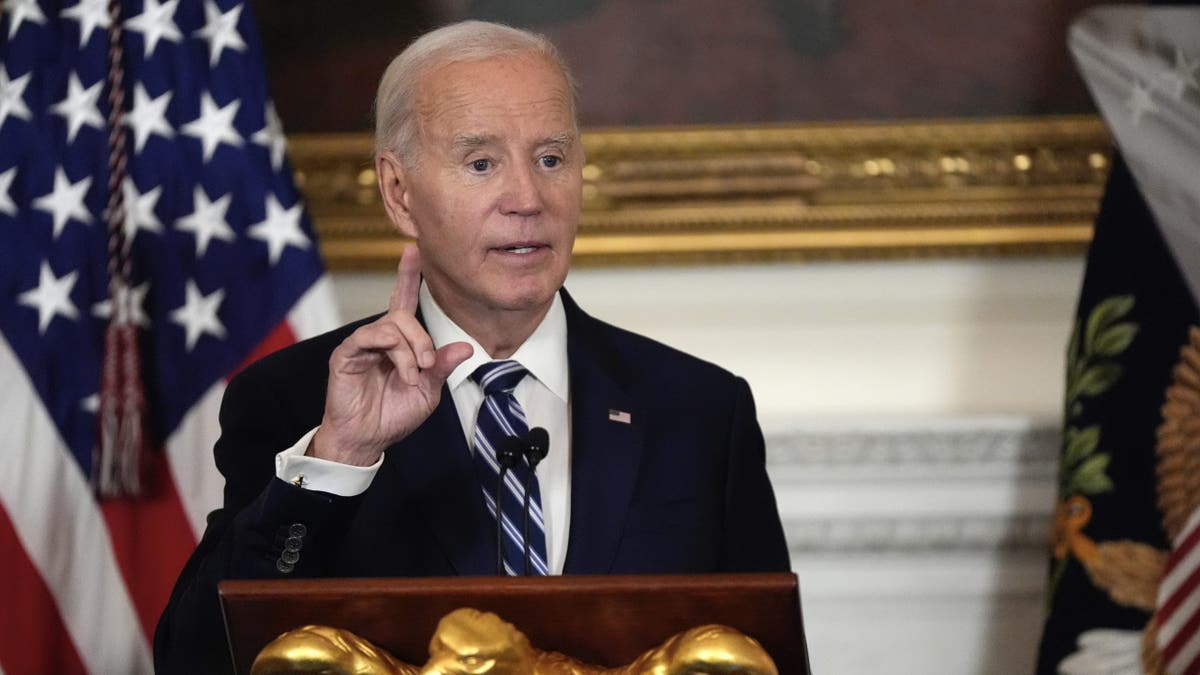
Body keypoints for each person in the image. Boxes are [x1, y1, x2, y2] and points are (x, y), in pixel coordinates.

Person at [154, 20, 789, 673]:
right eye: (482, 162)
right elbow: (195, 658)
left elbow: (761, 656)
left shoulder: (703, 409)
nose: (527, 199)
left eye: (550, 158)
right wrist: (339, 456)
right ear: (399, 193)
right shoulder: (293, 400)